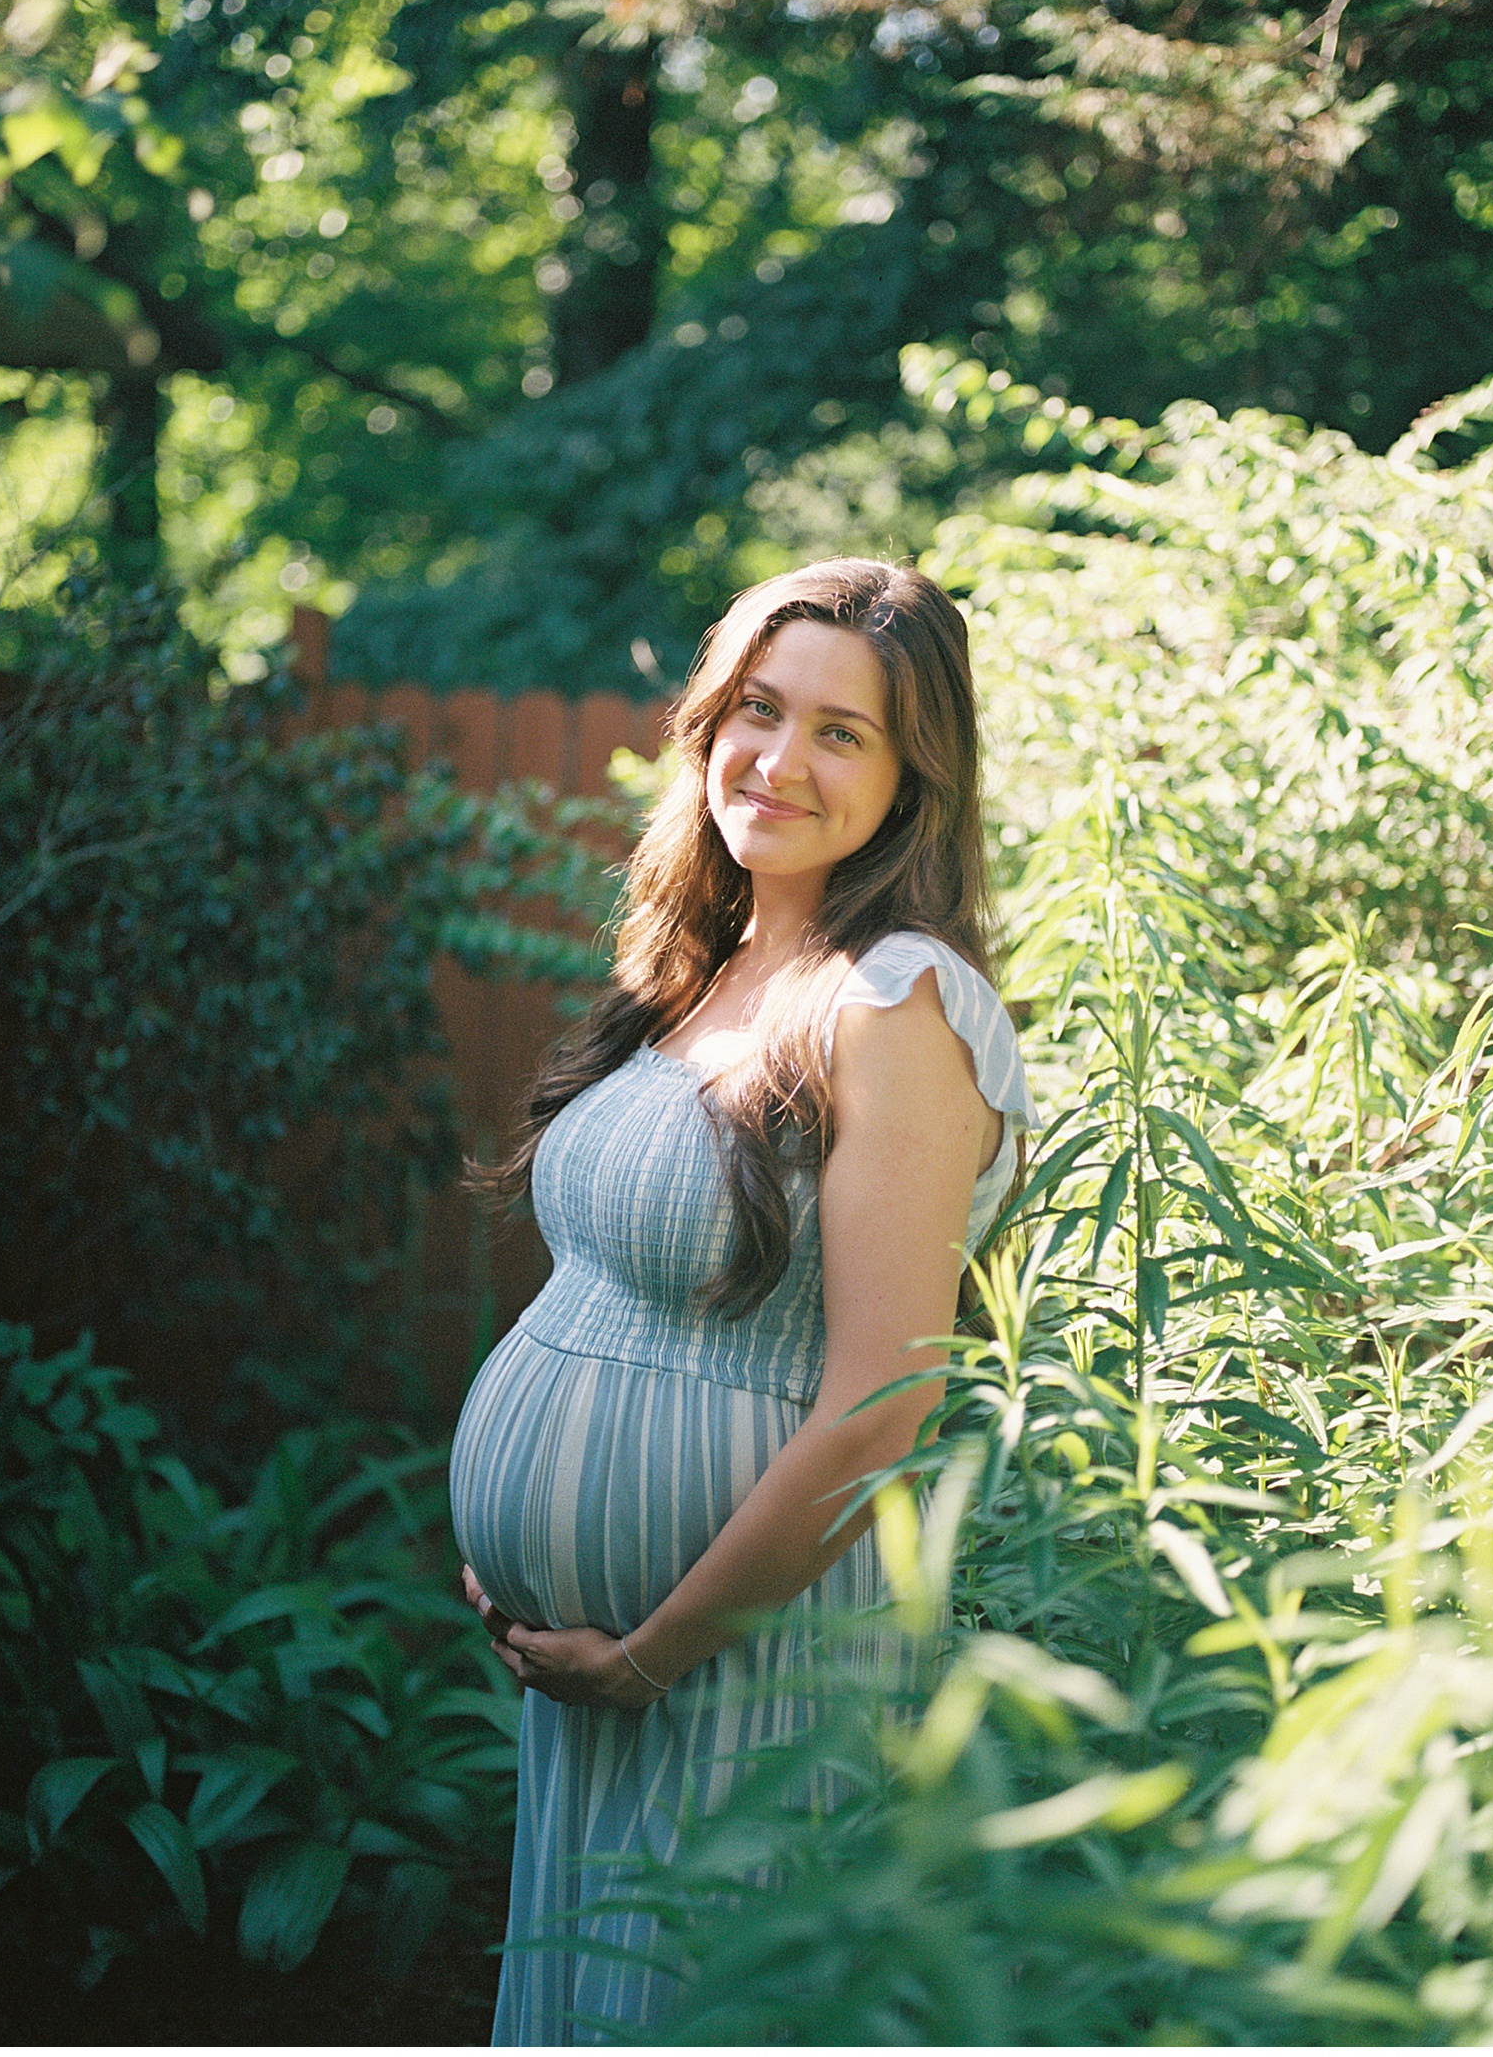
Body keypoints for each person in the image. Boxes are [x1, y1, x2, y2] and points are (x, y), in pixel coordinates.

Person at [448, 558, 1037, 2045]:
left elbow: (881, 1404)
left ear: (915, 780)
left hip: (741, 1672)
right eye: (758, 710)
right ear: (705, 724)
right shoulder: (701, 971)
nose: (778, 759)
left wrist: (651, 1650)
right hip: (597, 1678)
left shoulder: (892, 1002)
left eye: (843, 732)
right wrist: (529, 1559)